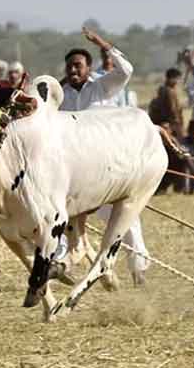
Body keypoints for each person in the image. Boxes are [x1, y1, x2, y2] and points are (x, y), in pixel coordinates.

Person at [60, 27, 149, 285]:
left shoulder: (101, 86)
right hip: (73, 170)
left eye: (78, 66)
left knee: (124, 217)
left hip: (107, 167)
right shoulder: (59, 95)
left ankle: (138, 268)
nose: (74, 70)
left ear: (89, 68)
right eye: (70, 67)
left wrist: (100, 42)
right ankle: (62, 263)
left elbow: (127, 70)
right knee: (60, 216)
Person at [148, 68, 185, 138]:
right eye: (177, 79)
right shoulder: (169, 92)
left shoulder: (162, 89)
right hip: (168, 125)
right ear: (172, 79)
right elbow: (173, 110)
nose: (178, 82)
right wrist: (179, 127)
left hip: (160, 123)